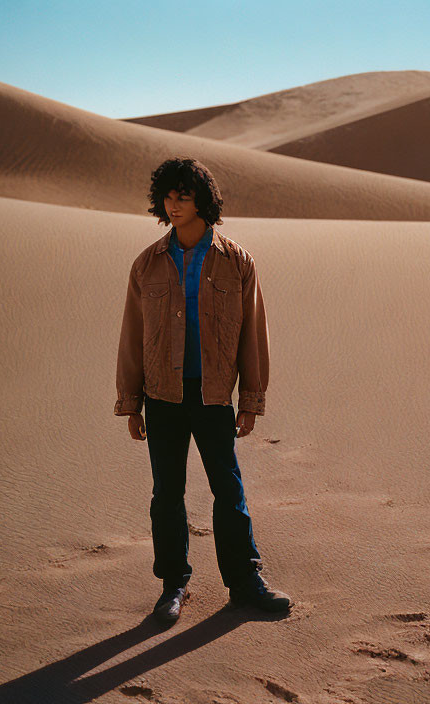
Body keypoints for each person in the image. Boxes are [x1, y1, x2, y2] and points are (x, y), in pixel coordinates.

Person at [115, 157, 291, 624]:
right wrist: (131, 403)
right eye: (168, 196)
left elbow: (253, 333)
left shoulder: (237, 261)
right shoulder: (147, 264)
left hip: (214, 395)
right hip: (162, 397)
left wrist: (252, 399)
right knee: (166, 495)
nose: (174, 204)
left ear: (203, 200)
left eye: (183, 196)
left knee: (227, 489)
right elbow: (132, 335)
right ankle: (172, 586)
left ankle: (245, 582)